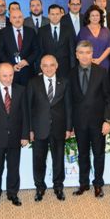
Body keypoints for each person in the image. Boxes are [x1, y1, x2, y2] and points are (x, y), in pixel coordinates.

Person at [69, 41, 110, 198]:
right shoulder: (70, 73)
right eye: (81, 52)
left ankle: (98, 184)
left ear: (92, 54)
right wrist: (69, 125)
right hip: (79, 122)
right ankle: (83, 183)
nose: (85, 56)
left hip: (98, 122)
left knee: (98, 154)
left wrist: (107, 120)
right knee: (82, 154)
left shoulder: (101, 72)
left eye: (88, 52)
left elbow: (108, 98)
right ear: (76, 55)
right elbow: (68, 102)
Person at [0, 63, 29, 208]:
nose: (8, 79)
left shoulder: (21, 90)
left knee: (14, 167)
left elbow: (25, 114)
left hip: (15, 136)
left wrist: (25, 135)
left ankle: (13, 193)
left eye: (11, 75)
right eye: (4, 76)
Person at [27, 55, 72, 201]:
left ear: (57, 66)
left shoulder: (64, 82)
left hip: (59, 127)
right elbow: (28, 108)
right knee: (38, 160)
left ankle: (58, 186)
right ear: (41, 67)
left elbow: (68, 106)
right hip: (39, 128)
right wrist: (30, 129)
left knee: (58, 159)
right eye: (45, 65)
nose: (48, 68)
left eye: (52, 65)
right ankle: (40, 187)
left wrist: (68, 127)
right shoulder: (33, 83)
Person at [0, 9, 38, 86]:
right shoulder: (3, 32)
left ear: (23, 18)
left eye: (19, 17)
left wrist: (27, 61)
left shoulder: (31, 31)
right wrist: (11, 65)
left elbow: (36, 50)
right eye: (14, 17)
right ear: (10, 19)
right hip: (10, 74)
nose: (17, 20)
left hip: (28, 72)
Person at [38, 4, 75, 79]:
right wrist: (40, 69)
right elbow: (40, 52)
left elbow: (72, 51)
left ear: (61, 15)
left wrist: (73, 69)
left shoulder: (68, 30)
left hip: (65, 68)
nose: (55, 16)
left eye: (57, 14)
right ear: (48, 15)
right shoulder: (42, 31)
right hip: (47, 68)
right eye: (52, 14)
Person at [77, 5, 110, 70]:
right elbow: (80, 49)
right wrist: (89, 60)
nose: (95, 17)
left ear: (100, 17)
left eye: (97, 15)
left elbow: (109, 47)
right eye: (92, 15)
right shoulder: (83, 31)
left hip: (103, 63)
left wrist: (99, 60)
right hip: (87, 63)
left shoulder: (106, 30)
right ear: (89, 17)